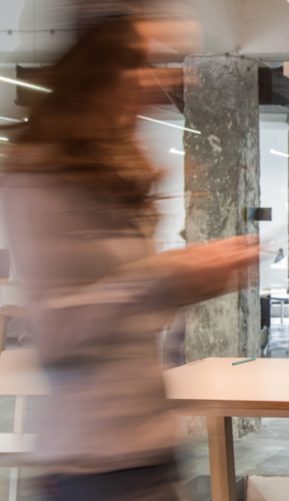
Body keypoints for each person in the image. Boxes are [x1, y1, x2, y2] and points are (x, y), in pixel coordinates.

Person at [1, 15, 258, 501]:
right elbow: (57, 336)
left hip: (148, 450)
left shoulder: (112, 174)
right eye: (146, 63)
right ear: (102, 72)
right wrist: (167, 277)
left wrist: (186, 282)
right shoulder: (40, 175)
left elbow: (127, 312)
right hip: (91, 465)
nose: (165, 78)